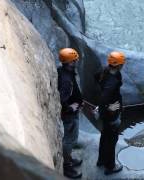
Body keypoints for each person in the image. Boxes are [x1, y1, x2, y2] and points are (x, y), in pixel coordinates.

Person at [95, 51, 125, 175]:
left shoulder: (104, 71)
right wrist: (108, 107)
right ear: (118, 65)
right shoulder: (112, 82)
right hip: (111, 114)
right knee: (111, 140)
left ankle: (101, 160)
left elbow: (95, 76)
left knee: (105, 135)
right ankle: (110, 166)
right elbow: (104, 98)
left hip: (107, 112)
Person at [58, 48, 83, 179]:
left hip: (72, 112)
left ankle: (69, 159)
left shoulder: (64, 71)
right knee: (70, 140)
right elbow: (62, 99)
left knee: (70, 139)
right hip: (70, 116)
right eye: (75, 60)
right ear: (70, 62)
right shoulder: (66, 80)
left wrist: (79, 101)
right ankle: (67, 166)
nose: (77, 61)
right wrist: (70, 108)